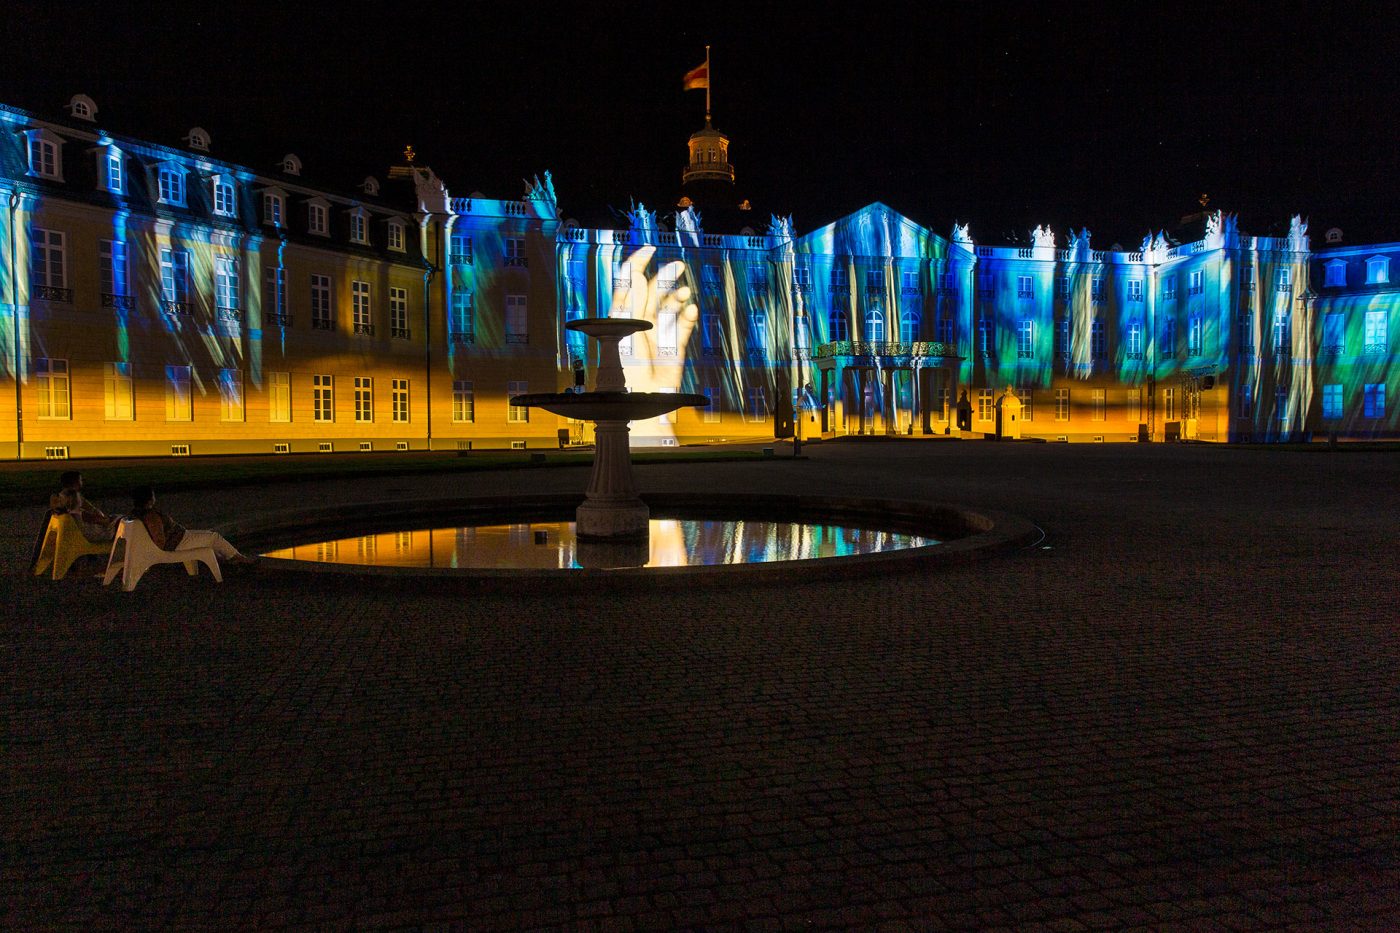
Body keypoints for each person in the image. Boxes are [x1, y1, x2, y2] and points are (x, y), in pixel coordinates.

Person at [128, 485, 256, 565]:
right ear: (150, 499)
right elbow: (159, 540)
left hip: (179, 539)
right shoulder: (151, 516)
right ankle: (239, 558)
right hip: (178, 543)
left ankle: (230, 558)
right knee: (214, 537)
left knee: (207, 536)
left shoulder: (136, 514)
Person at [50, 470, 117, 543]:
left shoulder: (58, 498)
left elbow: (92, 509)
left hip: (80, 530)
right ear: (75, 483)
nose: (82, 482)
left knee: (112, 519)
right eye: (80, 480)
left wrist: (101, 516)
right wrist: (105, 520)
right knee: (117, 523)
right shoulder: (74, 504)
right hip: (86, 534)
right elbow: (88, 515)